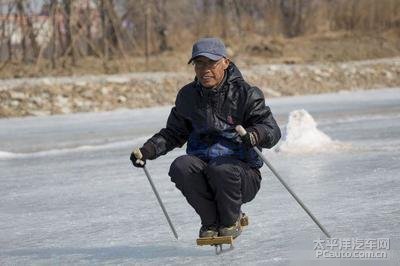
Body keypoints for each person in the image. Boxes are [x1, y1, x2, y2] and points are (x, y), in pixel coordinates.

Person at [131, 37, 281, 239]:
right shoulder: (188, 96)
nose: (205, 69)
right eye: (199, 63)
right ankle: (210, 222)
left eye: (211, 63)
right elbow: (173, 133)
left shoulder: (246, 93)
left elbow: (271, 129)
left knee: (221, 168)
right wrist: (147, 150)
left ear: (225, 62)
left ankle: (231, 219)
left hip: (242, 175)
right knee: (181, 166)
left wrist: (255, 135)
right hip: (205, 170)